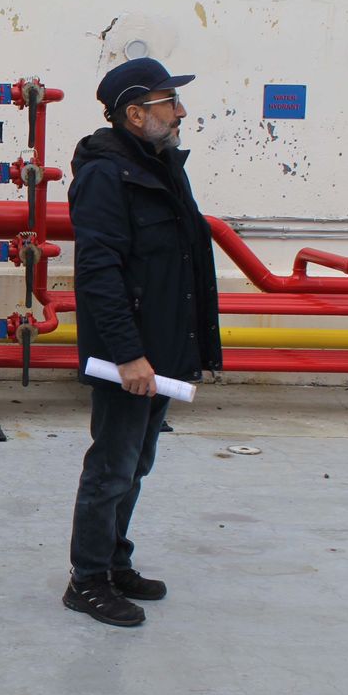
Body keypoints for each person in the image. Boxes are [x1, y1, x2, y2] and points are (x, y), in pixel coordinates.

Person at [64, 57, 221, 627]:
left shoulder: (161, 167)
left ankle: (114, 561)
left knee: (136, 465)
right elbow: (99, 272)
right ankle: (86, 580)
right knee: (112, 467)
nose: (180, 112)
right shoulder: (107, 176)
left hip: (163, 351)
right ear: (135, 114)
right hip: (130, 356)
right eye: (168, 102)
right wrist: (127, 355)